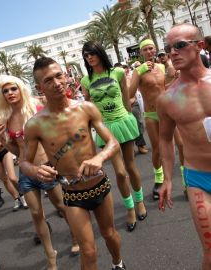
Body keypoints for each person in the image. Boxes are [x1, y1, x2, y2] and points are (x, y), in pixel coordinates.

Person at [20, 56, 126, 270]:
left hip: (100, 185)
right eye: (48, 80)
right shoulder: (35, 125)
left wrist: (99, 157)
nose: (57, 83)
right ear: (39, 87)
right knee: (88, 250)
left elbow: (113, 143)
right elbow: (23, 162)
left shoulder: (86, 108)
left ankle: (118, 263)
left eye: (59, 75)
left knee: (110, 235)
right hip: (72, 193)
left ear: (66, 76)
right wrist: (36, 170)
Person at [0, 75, 79, 270]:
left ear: (20, 89)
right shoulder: (7, 118)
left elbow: (56, 137)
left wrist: (56, 162)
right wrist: (2, 139)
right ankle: (51, 256)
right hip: (27, 172)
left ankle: (75, 237)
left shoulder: (36, 108)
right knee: (35, 213)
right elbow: (17, 152)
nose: (9, 93)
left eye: (13, 89)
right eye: (5, 91)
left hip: (46, 168)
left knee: (60, 206)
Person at [158, 23, 211, 270]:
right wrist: (167, 179)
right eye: (169, 48)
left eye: (180, 45)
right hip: (199, 179)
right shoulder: (167, 98)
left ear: (199, 46)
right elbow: (165, 139)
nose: (173, 53)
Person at [81, 41, 147, 232]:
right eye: (86, 55)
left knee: (131, 166)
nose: (89, 57)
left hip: (124, 122)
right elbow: (87, 108)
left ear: (100, 53)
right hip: (105, 129)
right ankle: (129, 208)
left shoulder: (117, 73)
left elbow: (126, 99)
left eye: (92, 53)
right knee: (119, 172)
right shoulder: (86, 81)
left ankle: (139, 201)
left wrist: (129, 118)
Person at [129, 39, 184, 200]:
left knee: (181, 145)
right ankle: (159, 179)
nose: (149, 51)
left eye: (151, 48)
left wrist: (176, 79)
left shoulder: (162, 67)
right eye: (145, 49)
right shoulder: (137, 71)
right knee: (158, 149)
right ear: (141, 52)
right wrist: (139, 73)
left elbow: (165, 88)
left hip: (169, 112)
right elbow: (130, 94)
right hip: (152, 115)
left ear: (155, 49)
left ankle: (186, 180)